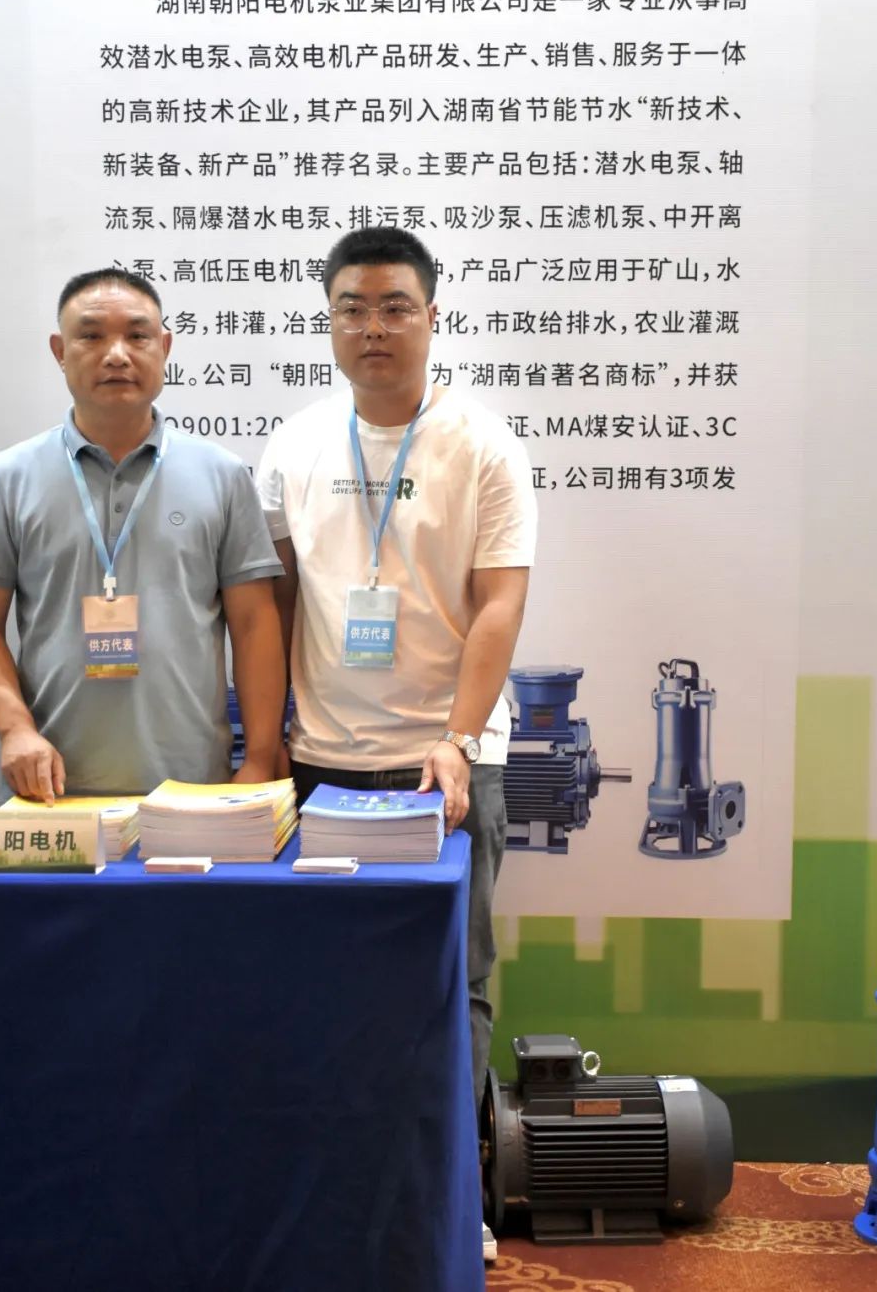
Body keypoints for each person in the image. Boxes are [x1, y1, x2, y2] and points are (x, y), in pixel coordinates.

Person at [256, 227, 536, 1261]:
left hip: (446, 765)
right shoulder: (293, 446)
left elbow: (499, 604)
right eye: (352, 309)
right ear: (330, 321)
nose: (372, 327)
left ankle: (450, 1199)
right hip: (320, 761)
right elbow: (272, 603)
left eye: (394, 307)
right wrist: (267, 744)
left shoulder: (483, 445)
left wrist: (458, 738)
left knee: (451, 986)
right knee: (319, 985)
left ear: (431, 315)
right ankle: (329, 1192)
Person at [0, 269, 285, 800]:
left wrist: (261, 758)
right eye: (91, 336)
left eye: (137, 335)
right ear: (60, 351)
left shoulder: (220, 474)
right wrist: (14, 728)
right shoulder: (8, 477)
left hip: (194, 785)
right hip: (52, 789)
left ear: (164, 347)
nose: (116, 355)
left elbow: (253, 623)